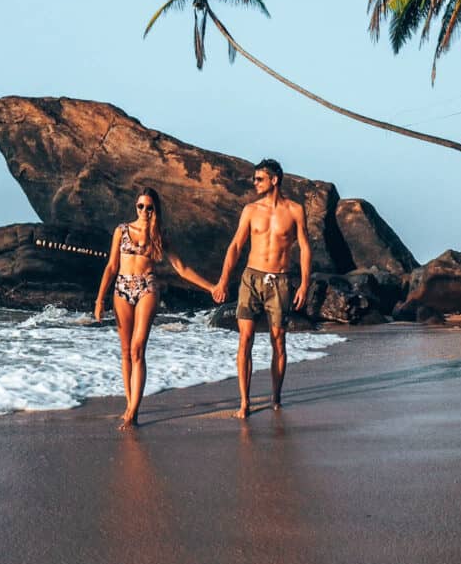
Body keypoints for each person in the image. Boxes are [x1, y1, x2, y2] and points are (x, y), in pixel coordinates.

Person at [94, 187, 221, 430]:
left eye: (149, 207)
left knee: (137, 348)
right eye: (140, 206)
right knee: (125, 351)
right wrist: (99, 299)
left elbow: (181, 268)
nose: (144, 211)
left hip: (147, 287)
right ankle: (129, 403)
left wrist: (210, 287)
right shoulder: (121, 231)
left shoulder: (160, 235)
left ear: (156, 209)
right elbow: (111, 266)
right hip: (121, 289)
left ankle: (133, 412)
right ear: (136, 206)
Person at [213, 159, 311, 418]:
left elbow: (304, 248)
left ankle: (276, 396)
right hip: (251, 278)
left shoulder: (295, 210)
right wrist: (224, 279)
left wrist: (304, 283)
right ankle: (244, 402)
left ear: (274, 180)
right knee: (245, 338)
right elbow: (235, 246)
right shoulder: (250, 210)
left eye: (259, 179)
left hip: (279, 281)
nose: (254, 183)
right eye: (254, 179)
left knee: (278, 340)